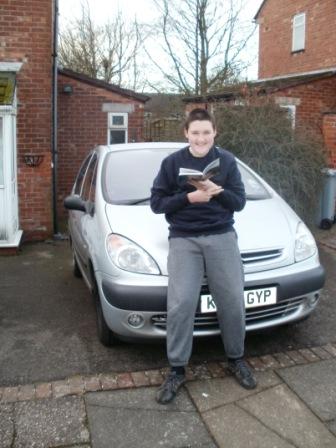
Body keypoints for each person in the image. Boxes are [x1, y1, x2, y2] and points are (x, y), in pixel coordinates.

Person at [150, 108, 257, 404]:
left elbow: (239, 203)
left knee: (233, 300)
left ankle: (236, 359)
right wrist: (189, 197)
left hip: (222, 236)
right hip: (184, 239)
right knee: (182, 303)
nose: (201, 138)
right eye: (195, 133)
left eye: (206, 133)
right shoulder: (172, 163)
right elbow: (157, 204)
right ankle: (177, 370)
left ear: (214, 133)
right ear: (186, 133)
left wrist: (215, 190)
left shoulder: (227, 161)